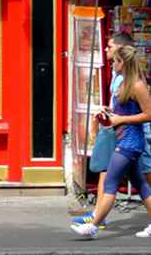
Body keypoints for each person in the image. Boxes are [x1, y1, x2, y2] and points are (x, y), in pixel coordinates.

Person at [71, 45, 151, 239]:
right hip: (123, 139)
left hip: (130, 143)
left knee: (110, 183)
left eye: (115, 61)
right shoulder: (123, 84)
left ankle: (94, 225)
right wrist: (107, 113)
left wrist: (120, 120)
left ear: (122, 63)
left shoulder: (137, 85)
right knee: (141, 185)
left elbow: (149, 114)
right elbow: (123, 112)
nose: (112, 63)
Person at [73, 32, 135, 229]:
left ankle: (97, 218)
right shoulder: (118, 74)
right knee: (107, 173)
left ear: (119, 49)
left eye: (109, 46)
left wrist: (114, 116)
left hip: (121, 131)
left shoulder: (129, 77)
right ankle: (98, 216)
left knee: (117, 176)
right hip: (114, 127)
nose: (106, 49)